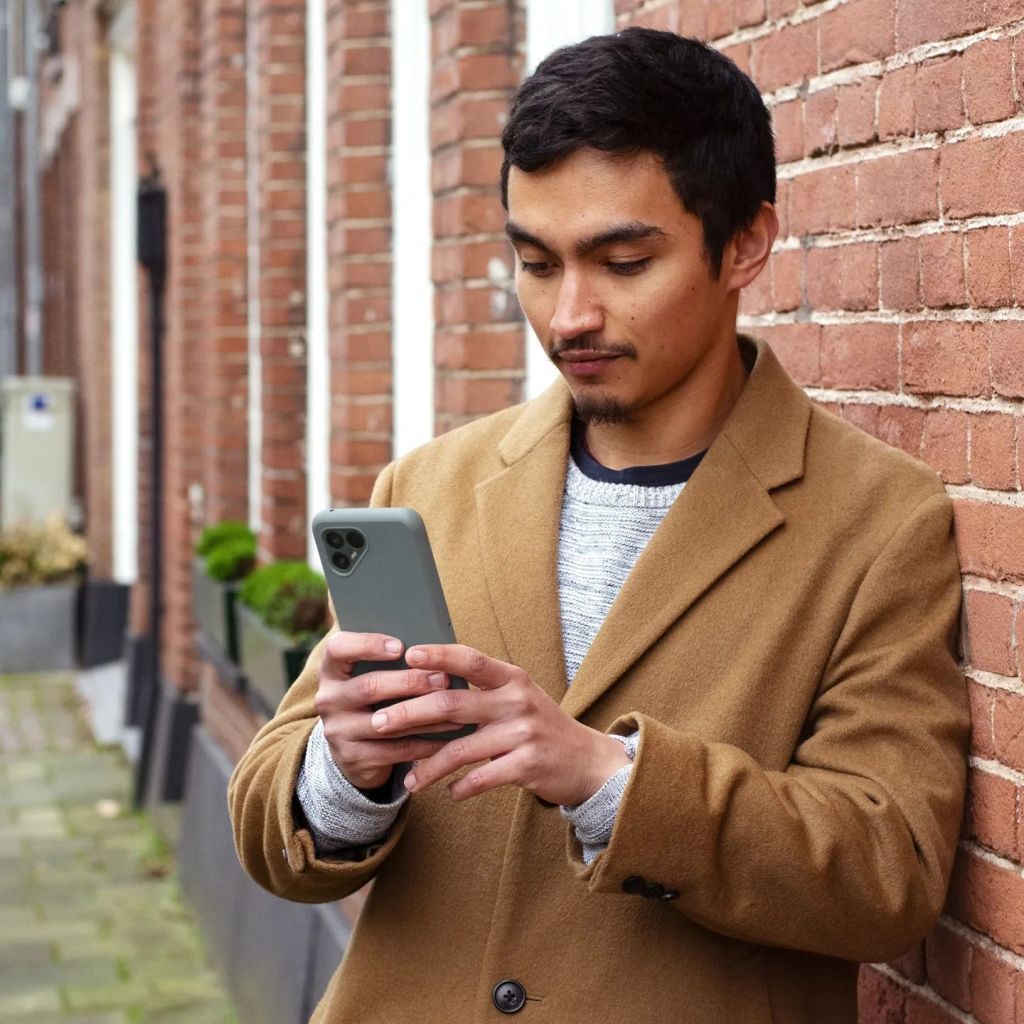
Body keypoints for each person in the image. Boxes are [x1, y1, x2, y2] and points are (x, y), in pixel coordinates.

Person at [228, 28, 969, 1024]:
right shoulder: (429, 487)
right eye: (535, 263)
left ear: (746, 244)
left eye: (622, 262)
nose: (568, 314)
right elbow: (272, 834)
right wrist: (345, 774)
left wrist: (606, 778)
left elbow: (890, 868)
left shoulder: (877, 519)